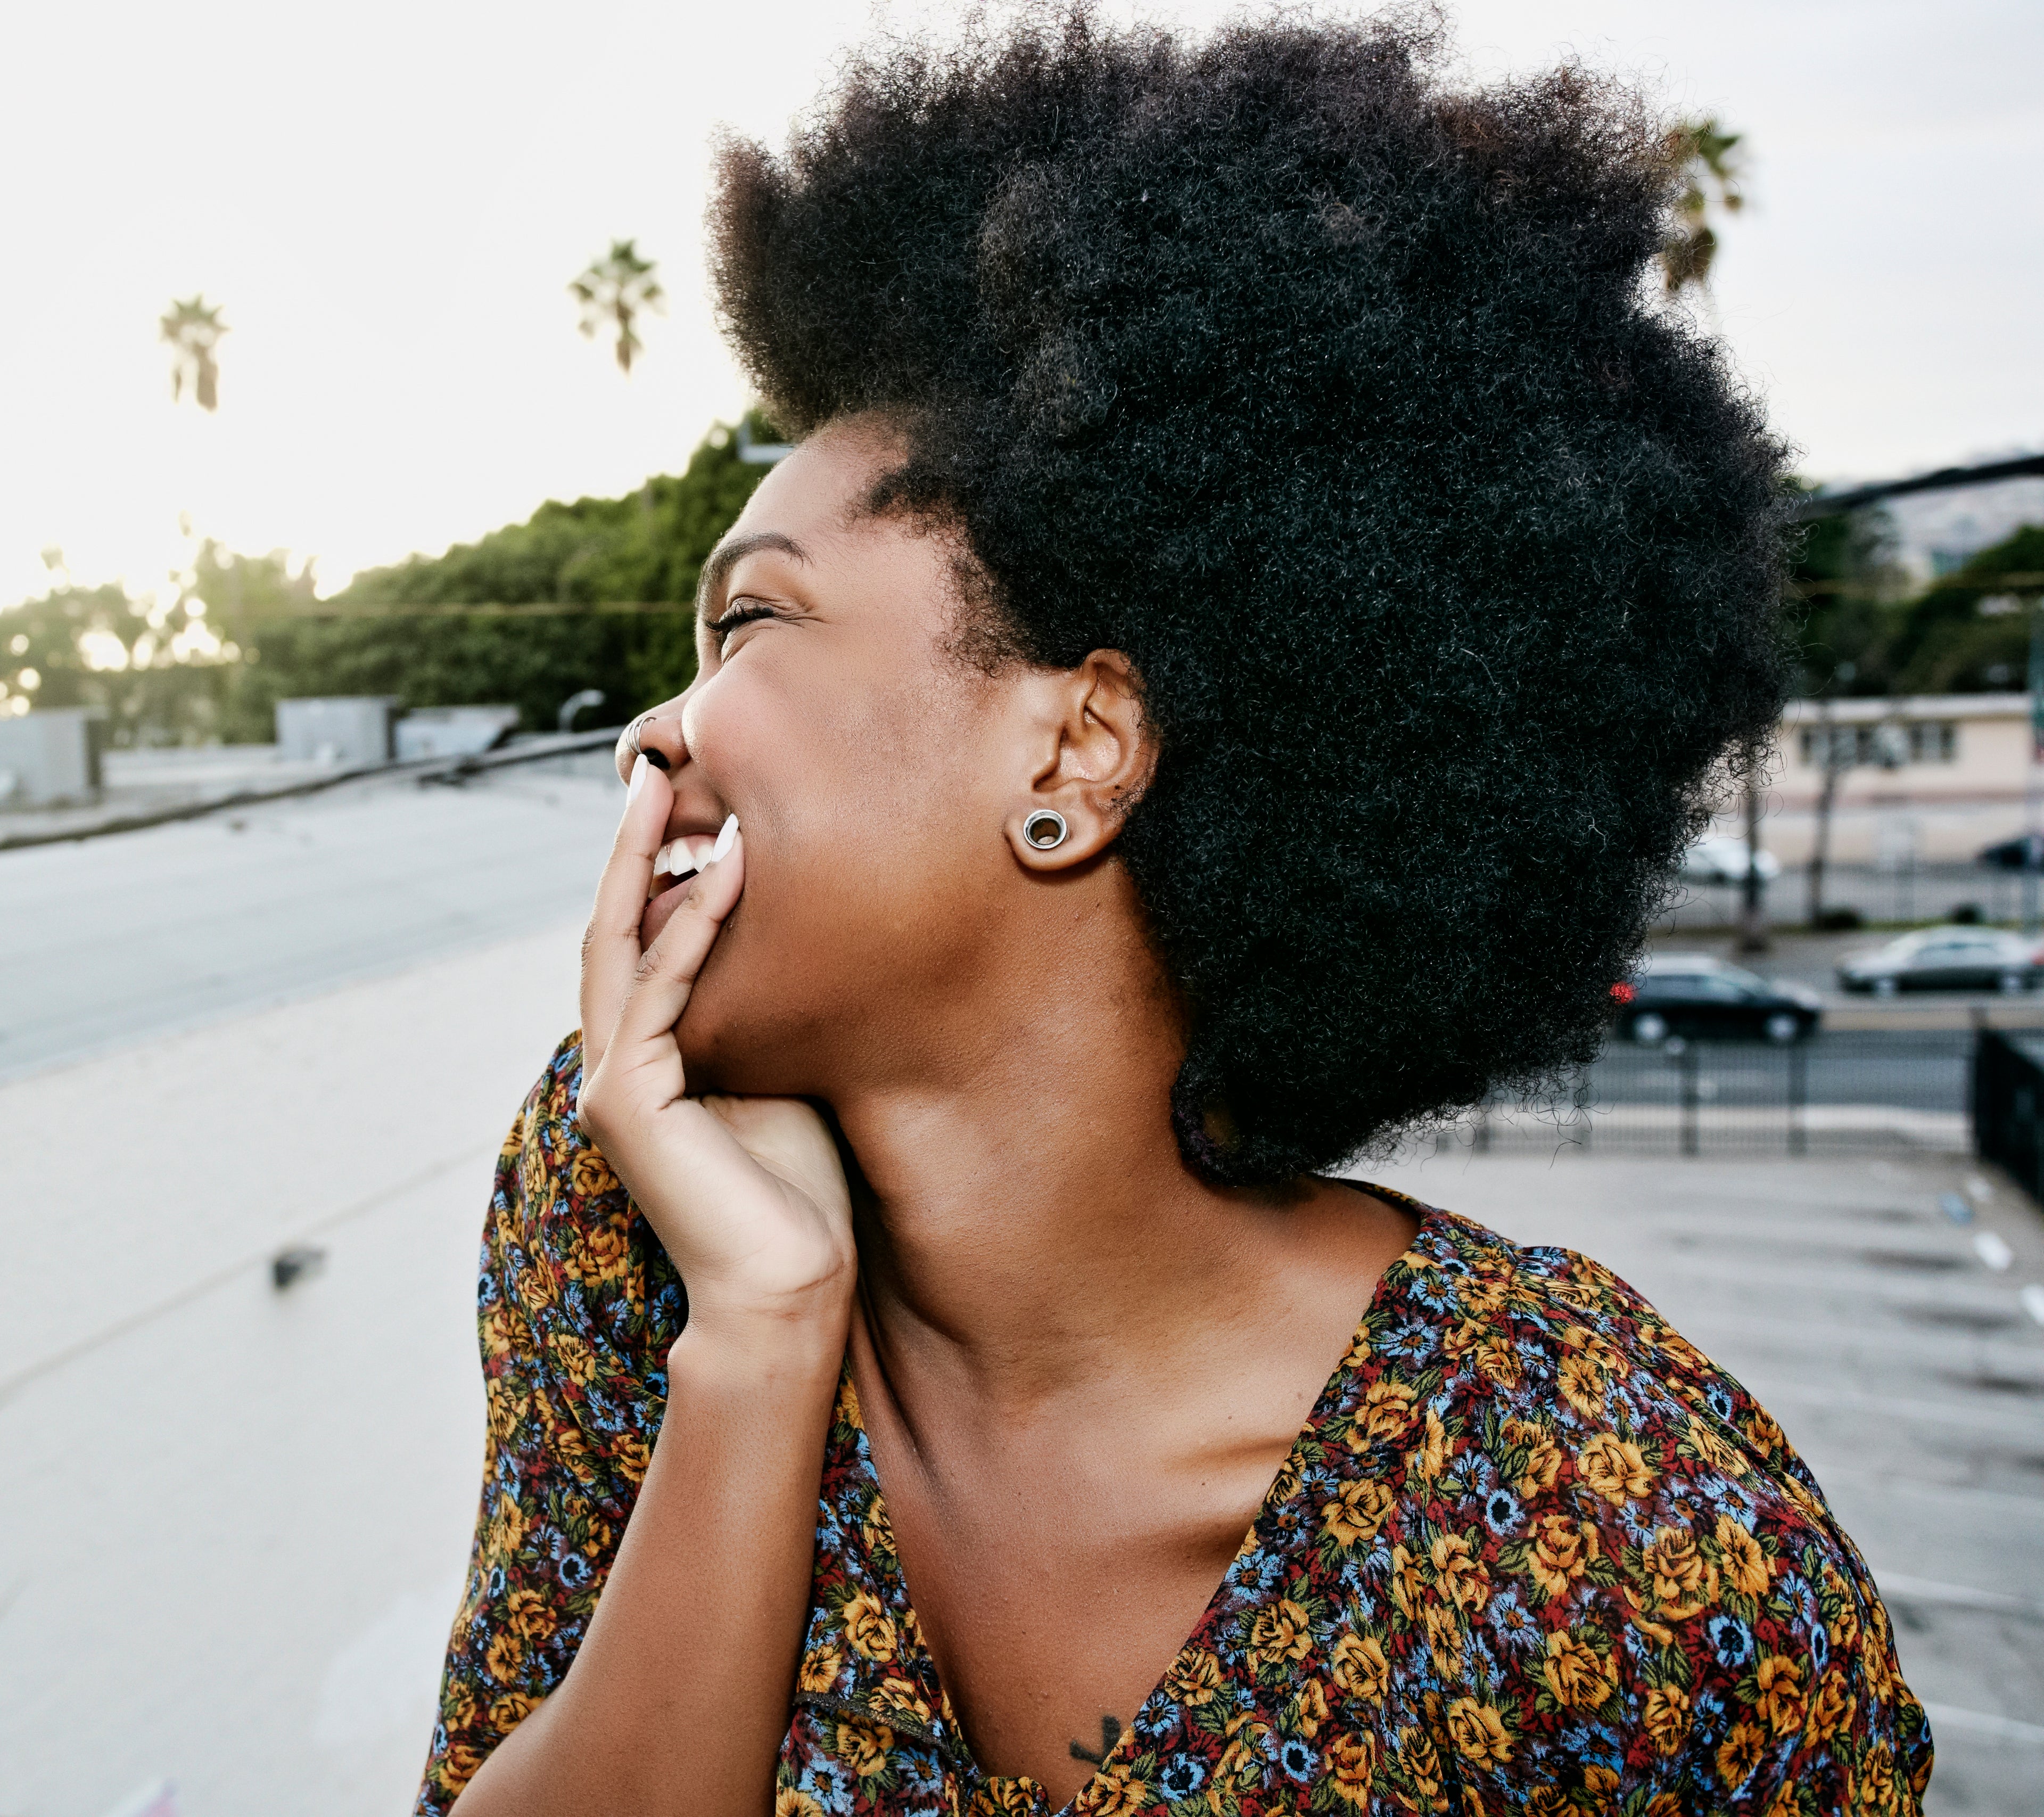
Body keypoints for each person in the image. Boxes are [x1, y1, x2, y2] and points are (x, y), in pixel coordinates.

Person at [419, 12, 1933, 1814]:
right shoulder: (625, 1209)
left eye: (750, 623)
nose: (652, 737)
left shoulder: (1626, 1559)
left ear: (1079, 750)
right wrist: (755, 1343)